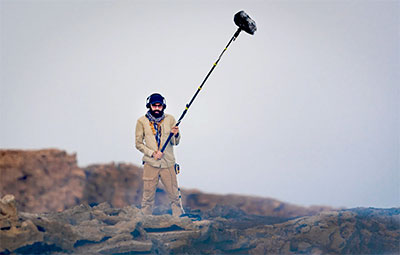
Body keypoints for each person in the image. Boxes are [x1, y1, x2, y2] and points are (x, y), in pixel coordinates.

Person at [135, 93, 183, 216]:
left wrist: (176, 134)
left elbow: (175, 142)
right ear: (149, 106)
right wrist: (152, 154)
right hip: (150, 164)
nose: (157, 108)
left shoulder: (171, 119)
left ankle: (180, 218)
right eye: (154, 105)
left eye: (159, 106)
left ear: (163, 106)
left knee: (175, 196)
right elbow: (138, 144)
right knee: (148, 196)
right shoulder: (141, 121)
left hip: (168, 164)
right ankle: (145, 220)